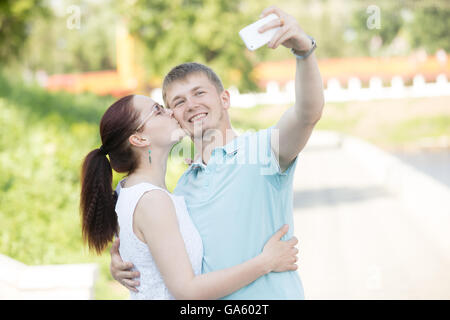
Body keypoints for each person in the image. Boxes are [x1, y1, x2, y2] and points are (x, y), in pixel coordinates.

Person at [111, 5, 324, 299]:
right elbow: (166, 250)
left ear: (224, 98)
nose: (191, 105)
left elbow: (307, 114)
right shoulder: (182, 188)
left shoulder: (262, 151)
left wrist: (304, 51)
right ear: (174, 116)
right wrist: (124, 259)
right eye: (179, 101)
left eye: (199, 93)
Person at [80, 94, 299, 299]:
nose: (170, 112)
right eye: (157, 110)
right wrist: (266, 262)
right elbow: (187, 291)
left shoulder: (128, 190)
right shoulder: (152, 200)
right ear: (139, 138)